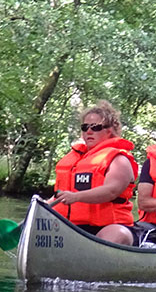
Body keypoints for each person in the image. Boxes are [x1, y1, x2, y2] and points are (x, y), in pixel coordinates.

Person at [51, 100, 138, 246]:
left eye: (95, 127)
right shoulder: (75, 161)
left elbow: (111, 191)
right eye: (85, 127)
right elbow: (61, 196)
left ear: (109, 131)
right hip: (74, 225)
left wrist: (76, 196)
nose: (89, 131)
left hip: (111, 225)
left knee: (115, 235)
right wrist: (41, 206)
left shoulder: (119, 159)